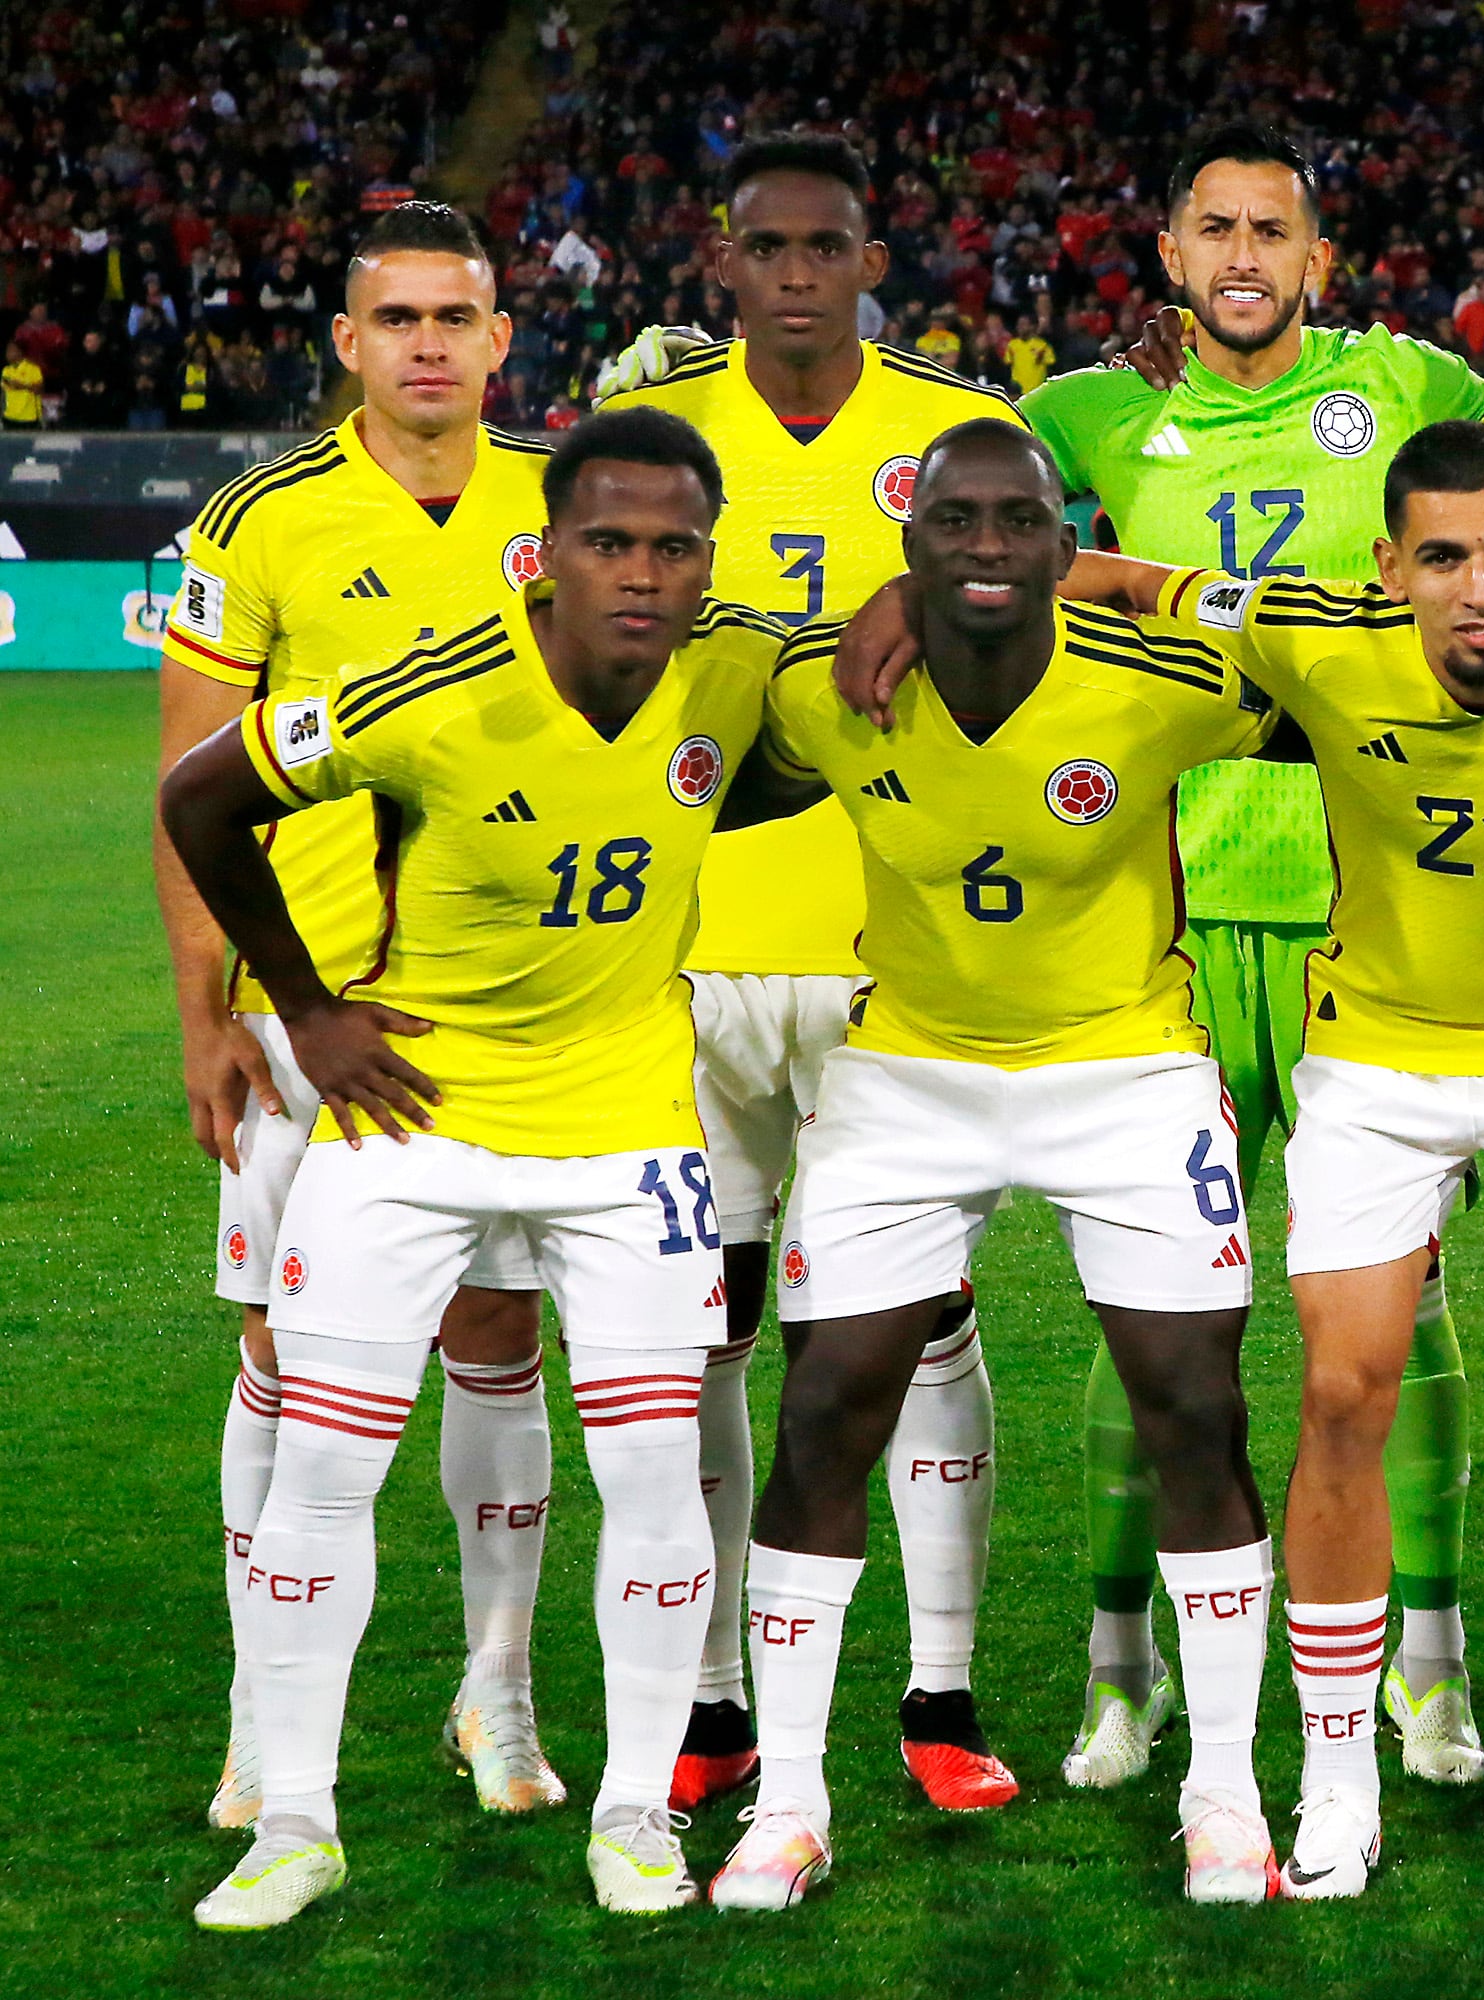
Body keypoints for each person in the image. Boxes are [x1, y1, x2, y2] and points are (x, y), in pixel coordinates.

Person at [854, 421, 1484, 1899]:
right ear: (1390, 570)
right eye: (1446, 559)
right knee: (1342, 1390)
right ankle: (1337, 1778)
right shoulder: (1311, 632)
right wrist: (931, 596)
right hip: (1380, 1064)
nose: (1482, 591)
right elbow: (1132, 581)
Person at [164, 407, 784, 1926]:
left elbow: (920, 634)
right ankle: (295, 1820)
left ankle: (636, 1811)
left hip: (628, 1136)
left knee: (654, 1475)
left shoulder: (738, 664)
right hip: (411, 1127)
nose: (643, 573)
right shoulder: (431, 694)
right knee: (325, 1467)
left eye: (674, 545)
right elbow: (201, 796)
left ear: (706, 555)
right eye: (609, 543)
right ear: (547, 556)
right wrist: (306, 1006)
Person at [704, 422, 1280, 1909]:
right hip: (906, 1075)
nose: (983, 547)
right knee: (827, 1403)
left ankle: (1227, 1795)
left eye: (1017, 522)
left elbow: (1319, 673)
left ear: (1057, 538)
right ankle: (795, 1799)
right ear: (907, 542)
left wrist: (1121, 574)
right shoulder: (824, 694)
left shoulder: (1158, 685)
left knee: (1195, 1409)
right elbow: (690, 744)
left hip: (1126, 1066)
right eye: (951, 522)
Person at [1012, 123, 1484, 1790]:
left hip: (1379, 902)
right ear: (1165, 254)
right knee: (1156, 1320)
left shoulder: (1418, 386)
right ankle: (1120, 1672)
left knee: (1402, 1303)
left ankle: (1428, 1672)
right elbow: (959, 535)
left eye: (1269, 229)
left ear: (1317, 254)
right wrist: (1156, 581)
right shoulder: (1088, 414)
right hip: (1162, 902)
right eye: (1210, 226)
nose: (1240, 254)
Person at [597, 131, 1036, 1815]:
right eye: (765, 245)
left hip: (886, 954)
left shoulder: (946, 434)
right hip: (689, 955)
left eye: (825, 244)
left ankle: (938, 1689)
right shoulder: (652, 439)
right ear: (722, 260)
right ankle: (715, 1704)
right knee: (701, 1333)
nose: (795, 271)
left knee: (915, 1330)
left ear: (871, 258)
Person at [154, 200, 562, 1832]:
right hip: (312, 1012)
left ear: (501, 338)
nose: (429, 347)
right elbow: (192, 789)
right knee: (282, 1353)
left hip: (516, 1013)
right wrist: (208, 1019)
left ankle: (500, 1698)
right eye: (396, 320)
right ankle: (266, 1718)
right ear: (346, 341)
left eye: (456, 319)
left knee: (498, 1338)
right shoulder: (257, 522)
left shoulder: (564, 504)